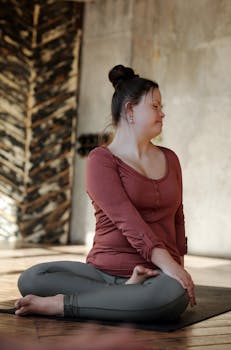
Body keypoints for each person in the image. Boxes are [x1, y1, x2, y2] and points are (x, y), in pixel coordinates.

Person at [15, 64, 196, 322]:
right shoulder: (101, 159)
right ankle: (92, 300)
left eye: (161, 107)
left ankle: (106, 298)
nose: (162, 113)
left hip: (156, 275)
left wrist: (179, 270)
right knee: (33, 278)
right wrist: (170, 265)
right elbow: (127, 221)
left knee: (170, 295)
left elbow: (178, 217)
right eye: (155, 106)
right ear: (130, 110)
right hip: (102, 271)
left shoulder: (170, 158)